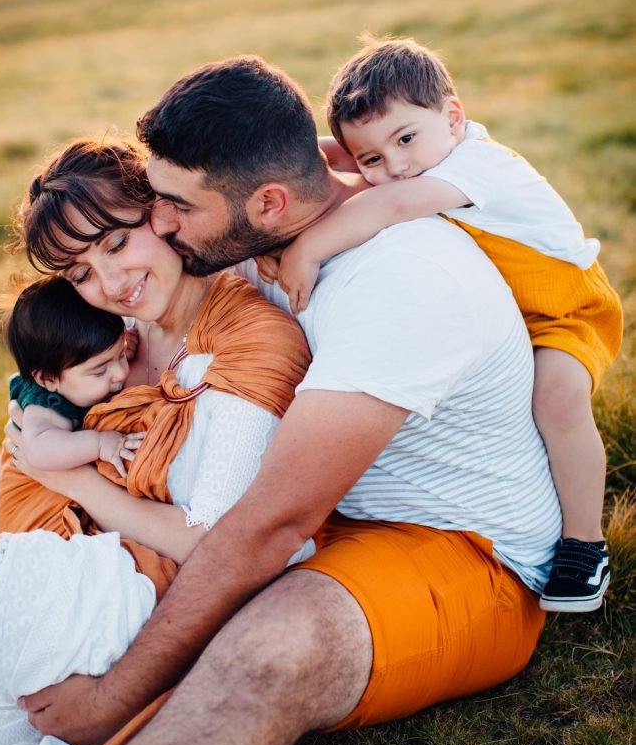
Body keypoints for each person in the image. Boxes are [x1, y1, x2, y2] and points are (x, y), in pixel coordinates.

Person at [0, 54, 562, 745]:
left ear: (264, 203)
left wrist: (112, 696)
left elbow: (269, 524)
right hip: (328, 512)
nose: (159, 226)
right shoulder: (261, 236)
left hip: (463, 554)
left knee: (266, 649)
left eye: (173, 208)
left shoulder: (399, 285)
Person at [0, 137, 313, 745]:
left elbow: (207, 541)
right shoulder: (117, 333)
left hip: (133, 597)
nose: (111, 281)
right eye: (81, 271)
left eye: (118, 243)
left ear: (163, 214)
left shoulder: (251, 338)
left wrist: (69, 478)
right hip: (71, 557)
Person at [263, 37, 622, 613]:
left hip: (563, 307)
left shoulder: (479, 165)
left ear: (452, 117)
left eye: (406, 140)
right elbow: (345, 161)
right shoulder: (420, 156)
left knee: (555, 398)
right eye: (373, 159)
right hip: (510, 305)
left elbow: (391, 205)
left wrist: (306, 249)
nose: (396, 165)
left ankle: (585, 543)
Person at [0, 275, 143, 479]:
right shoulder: (44, 408)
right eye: (100, 370)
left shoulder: (79, 364)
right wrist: (99, 443)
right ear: (47, 379)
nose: (120, 373)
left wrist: (121, 346)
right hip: (30, 503)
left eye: (121, 354)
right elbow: (39, 452)